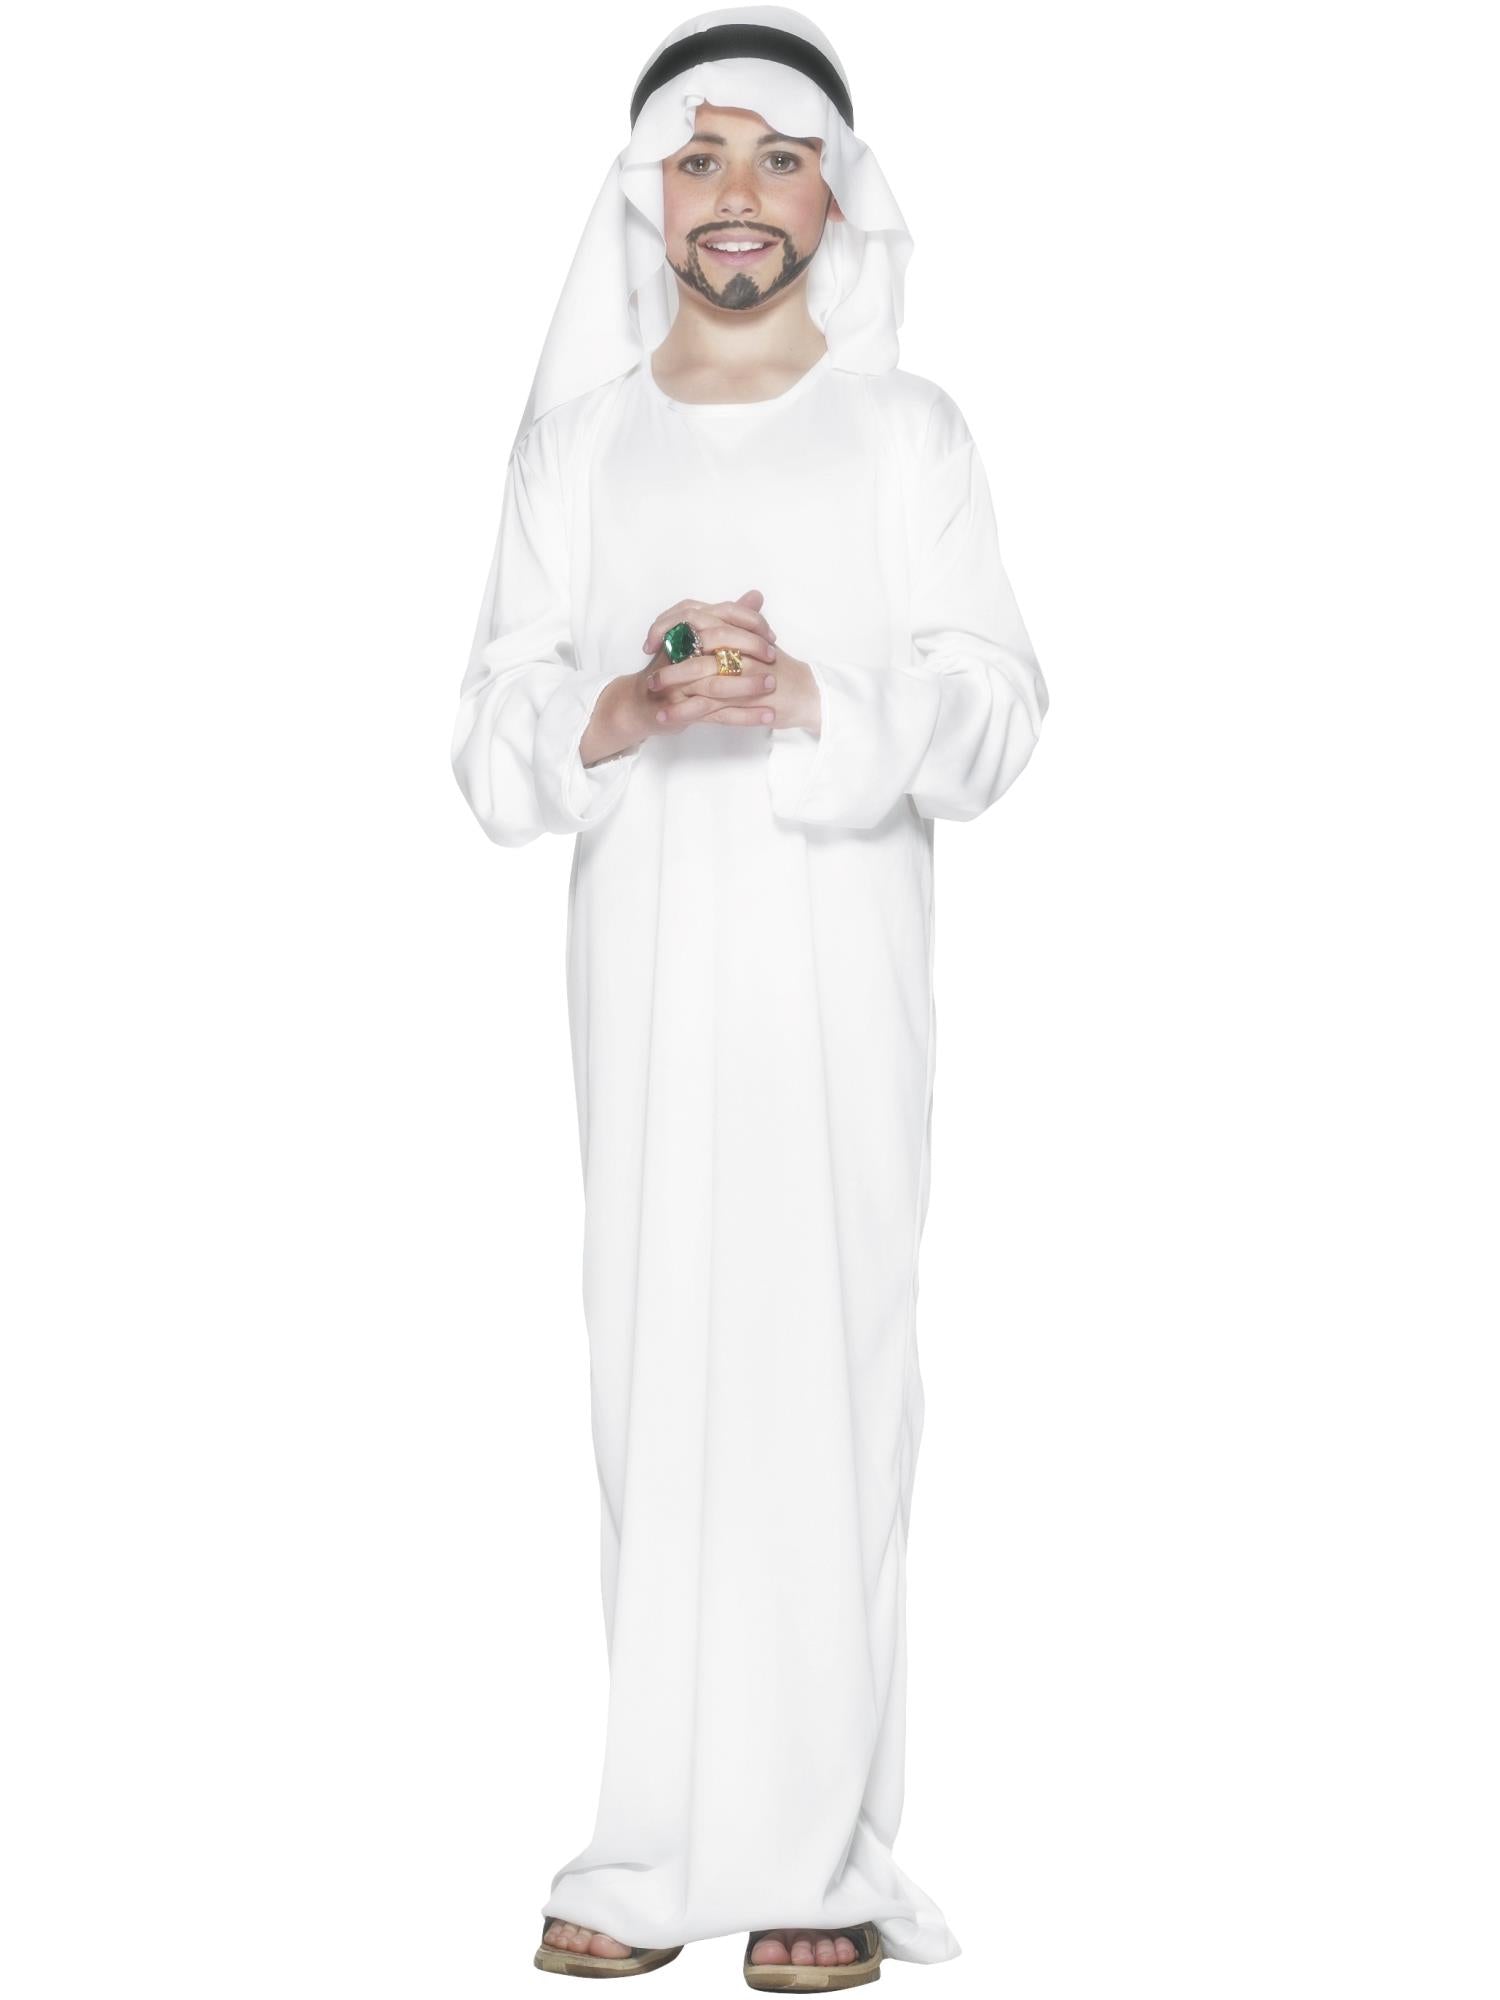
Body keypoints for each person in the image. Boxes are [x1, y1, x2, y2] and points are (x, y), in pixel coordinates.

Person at [450, 8, 1050, 1987]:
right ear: (648, 197)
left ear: (834, 200)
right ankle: (650, 1851)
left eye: (778, 159)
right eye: (699, 159)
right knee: (656, 1383)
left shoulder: (908, 436)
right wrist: (626, 704)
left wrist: (809, 696)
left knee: (831, 1381)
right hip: (642, 984)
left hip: (841, 981)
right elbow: (490, 736)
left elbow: (996, 708)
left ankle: (822, 1863)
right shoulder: (575, 448)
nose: (736, 197)